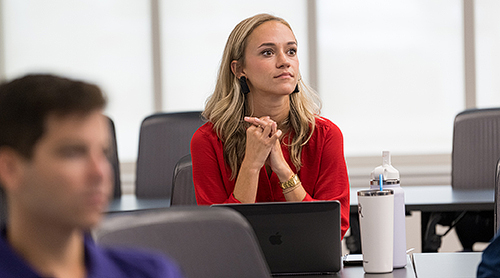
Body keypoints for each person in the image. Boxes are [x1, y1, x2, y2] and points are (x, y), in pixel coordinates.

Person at [0, 74, 183, 278]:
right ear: (9, 169)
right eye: (73, 153)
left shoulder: (152, 273)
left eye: (104, 153)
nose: (100, 173)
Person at [191, 13, 350, 238]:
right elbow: (220, 236)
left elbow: (333, 231)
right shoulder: (208, 140)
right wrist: (252, 165)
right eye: (268, 52)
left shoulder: (325, 135)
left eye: (291, 51)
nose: (284, 61)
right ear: (238, 69)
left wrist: (283, 170)